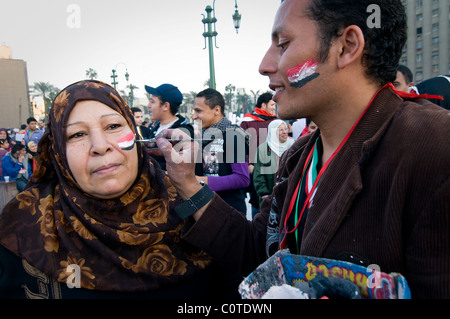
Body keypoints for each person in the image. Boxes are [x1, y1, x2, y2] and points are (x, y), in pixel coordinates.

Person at [156, 0, 449, 299]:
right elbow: (259, 249)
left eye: (282, 44)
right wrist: (188, 184)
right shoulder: (299, 155)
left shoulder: (435, 147)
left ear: (347, 46)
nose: (264, 65)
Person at [0, 80, 234, 299]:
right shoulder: (24, 226)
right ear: (57, 152)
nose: (101, 146)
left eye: (113, 126)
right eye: (77, 134)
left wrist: (191, 186)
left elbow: (240, 254)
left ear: (133, 132)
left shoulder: (190, 205)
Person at [192, 88, 250, 215]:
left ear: (217, 110)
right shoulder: (202, 136)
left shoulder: (233, 135)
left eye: (198, 111)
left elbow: (242, 178)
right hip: (207, 208)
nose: (194, 116)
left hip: (229, 212)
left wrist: (200, 180)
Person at [239, 92, 277, 217]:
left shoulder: (275, 121)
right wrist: (248, 163)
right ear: (263, 105)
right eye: (272, 104)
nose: (274, 107)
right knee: (257, 200)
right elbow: (240, 145)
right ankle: (257, 228)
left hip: (273, 167)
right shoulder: (247, 122)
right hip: (255, 168)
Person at [145, 83, 193, 171]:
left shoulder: (184, 132)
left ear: (166, 106)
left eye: (152, 101)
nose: (148, 105)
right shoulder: (155, 129)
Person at [253, 120, 294, 207]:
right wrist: (264, 193)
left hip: (290, 197)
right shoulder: (263, 149)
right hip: (269, 197)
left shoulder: (293, 146)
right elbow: (258, 173)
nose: (284, 132)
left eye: (286, 129)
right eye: (280, 130)